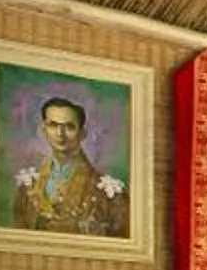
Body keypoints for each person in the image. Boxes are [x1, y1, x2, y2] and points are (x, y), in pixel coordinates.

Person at [11, 93, 131, 239]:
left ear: (82, 133)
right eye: (53, 125)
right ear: (43, 130)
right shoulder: (28, 186)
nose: (60, 134)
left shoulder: (110, 193)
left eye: (69, 127)